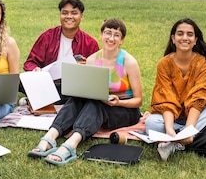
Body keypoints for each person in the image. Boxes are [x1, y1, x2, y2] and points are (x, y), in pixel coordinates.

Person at [28, 18, 142, 165]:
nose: (111, 38)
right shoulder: (92, 60)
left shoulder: (129, 62)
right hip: (99, 103)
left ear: (122, 40)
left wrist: (119, 102)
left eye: (116, 35)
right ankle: (51, 136)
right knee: (77, 99)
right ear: (101, 35)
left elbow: (138, 100)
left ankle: (71, 144)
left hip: (125, 110)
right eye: (108, 33)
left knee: (97, 104)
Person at [145, 18, 206, 161]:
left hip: (193, 116)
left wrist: (188, 129)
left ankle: (176, 142)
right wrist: (169, 128)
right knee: (151, 123)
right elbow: (166, 98)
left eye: (189, 34)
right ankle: (182, 138)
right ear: (173, 39)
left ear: (195, 40)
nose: (185, 38)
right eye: (180, 34)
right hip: (172, 118)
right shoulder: (164, 64)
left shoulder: (202, 63)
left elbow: (199, 97)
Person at [23, 0, 99, 102]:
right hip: (48, 83)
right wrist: (35, 69)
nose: (69, 16)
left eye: (74, 13)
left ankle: (36, 100)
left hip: (75, 88)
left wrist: (86, 66)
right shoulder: (47, 37)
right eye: (64, 13)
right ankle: (40, 98)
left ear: (81, 16)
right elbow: (30, 62)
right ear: (60, 15)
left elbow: (96, 75)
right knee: (21, 82)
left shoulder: (90, 43)